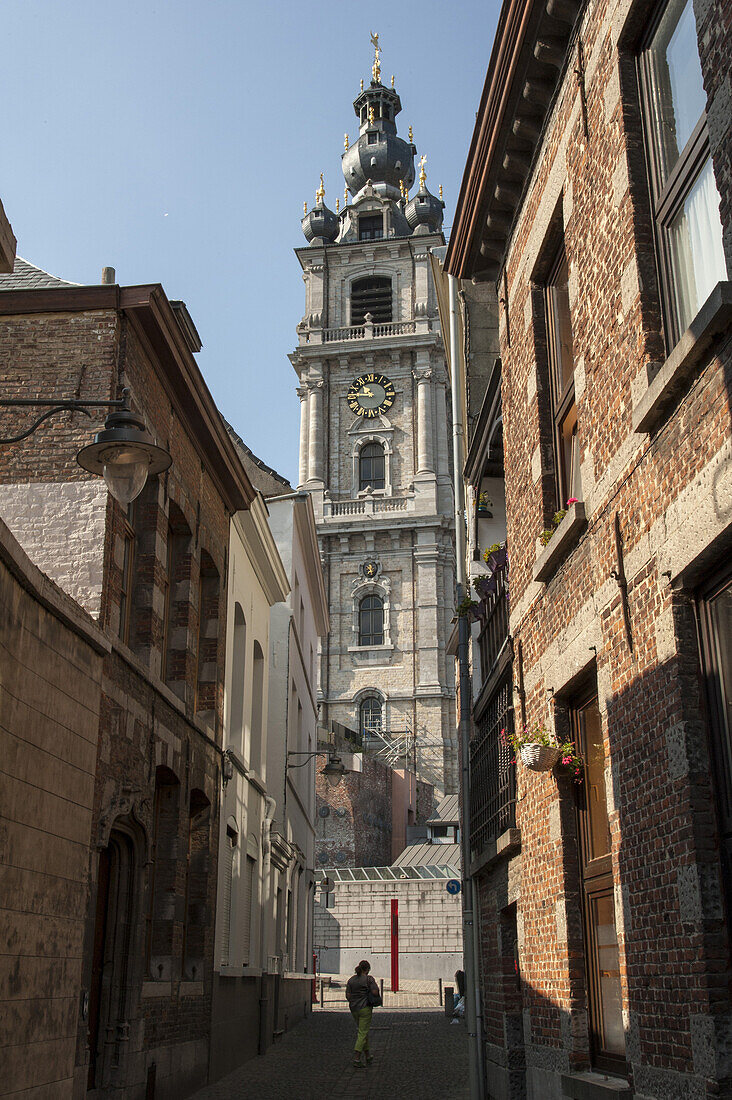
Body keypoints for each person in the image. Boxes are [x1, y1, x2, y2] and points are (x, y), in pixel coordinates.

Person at [345, 959, 380, 1067]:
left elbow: (348, 996)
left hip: (354, 1009)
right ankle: (356, 1058)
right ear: (368, 969)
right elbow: (375, 992)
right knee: (362, 1033)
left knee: (363, 1031)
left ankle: (368, 1056)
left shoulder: (351, 980)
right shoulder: (369, 979)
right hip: (365, 1008)